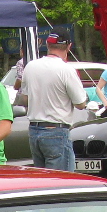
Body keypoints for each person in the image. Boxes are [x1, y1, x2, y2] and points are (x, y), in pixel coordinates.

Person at [19, 32, 87, 170]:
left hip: (34, 130)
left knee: (44, 182)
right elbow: (81, 104)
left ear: (47, 44)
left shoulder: (30, 66)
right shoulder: (66, 69)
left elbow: (25, 99)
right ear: (69, 46)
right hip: (56, 130)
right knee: (63, 183)